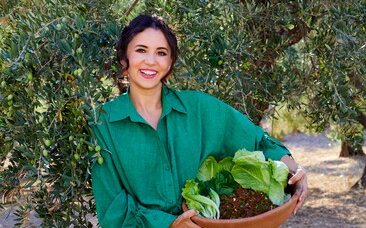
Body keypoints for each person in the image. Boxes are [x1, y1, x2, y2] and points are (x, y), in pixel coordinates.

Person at [91, 14, 308, 228]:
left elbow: (257, 142)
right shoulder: (103, 123)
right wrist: (170, 224)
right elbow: (112, 209)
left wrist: (295, 170)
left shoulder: (200, 108)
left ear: (170, 63)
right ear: (124, 58)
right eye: (141, 50)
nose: (151, 60)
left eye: (161, 52)